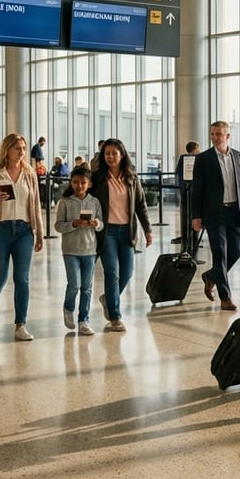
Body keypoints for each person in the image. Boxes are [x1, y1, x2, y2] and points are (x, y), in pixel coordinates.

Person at [0, 134, 45, 341]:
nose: (21, 152)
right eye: (17, 148)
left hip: (24, 230)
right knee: (0, 277)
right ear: (7, 150)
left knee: (22, 278)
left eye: (23, 148)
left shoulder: (29, 172)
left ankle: (20, 324)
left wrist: (39, 233)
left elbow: (36, 205)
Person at [191, 121, 240, 311]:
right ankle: (225, 297)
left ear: (228, 136)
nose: (215, 137)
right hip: (215, 213)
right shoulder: (203, 159)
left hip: (235, 211)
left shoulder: (238, 156)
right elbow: (197, 190)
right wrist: (196, 216)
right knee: (219, 253)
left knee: (236, 251)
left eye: (219, 134)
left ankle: (211, 276)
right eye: (212, 134)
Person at [91, 138, 153, 332]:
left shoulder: (131, 176)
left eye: (114, 153)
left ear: (122, 154)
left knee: (127, 271)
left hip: (127, 231)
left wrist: (148, 230)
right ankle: (115, 316)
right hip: (106, 231)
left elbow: (141, 205)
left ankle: (108, 299)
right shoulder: (98, 178)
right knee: (112, 272)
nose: (110, 157)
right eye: (107, 153)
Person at [55, 167, 104, 336]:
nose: (79, 185)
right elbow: (58, 226)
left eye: (83, 182)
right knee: (74, 284)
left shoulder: (95, 202)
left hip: (90, 250)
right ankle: (68, 308)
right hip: (70, 250)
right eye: (75, 182)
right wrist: (73, 224)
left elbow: (102, 224)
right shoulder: (65, 202)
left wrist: (96, 223)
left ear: (89, 184)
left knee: (87, 287)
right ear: (71, 183)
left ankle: (84, 320)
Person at [173, 141, 200, 247]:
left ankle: (186, 239)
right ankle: (194, 239)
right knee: (195, 214)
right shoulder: (197, 159)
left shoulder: (182, 159)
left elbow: (178, 174)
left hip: (184, 191)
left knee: (185, 215)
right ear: (195, 149)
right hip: (193, 192)